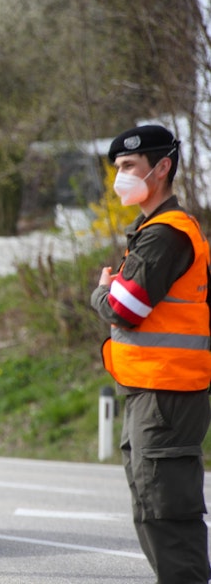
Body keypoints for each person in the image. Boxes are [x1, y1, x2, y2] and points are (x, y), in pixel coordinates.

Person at [91, 124, 211, 583]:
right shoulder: (159, 230)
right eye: (117, 168)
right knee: (153, 510)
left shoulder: (165, 234)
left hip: (165, 394)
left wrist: (100, 293)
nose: (120, 177)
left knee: (166, 516)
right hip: (155, 391)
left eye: (128, 167)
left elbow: (125, 308)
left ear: (161, 168)